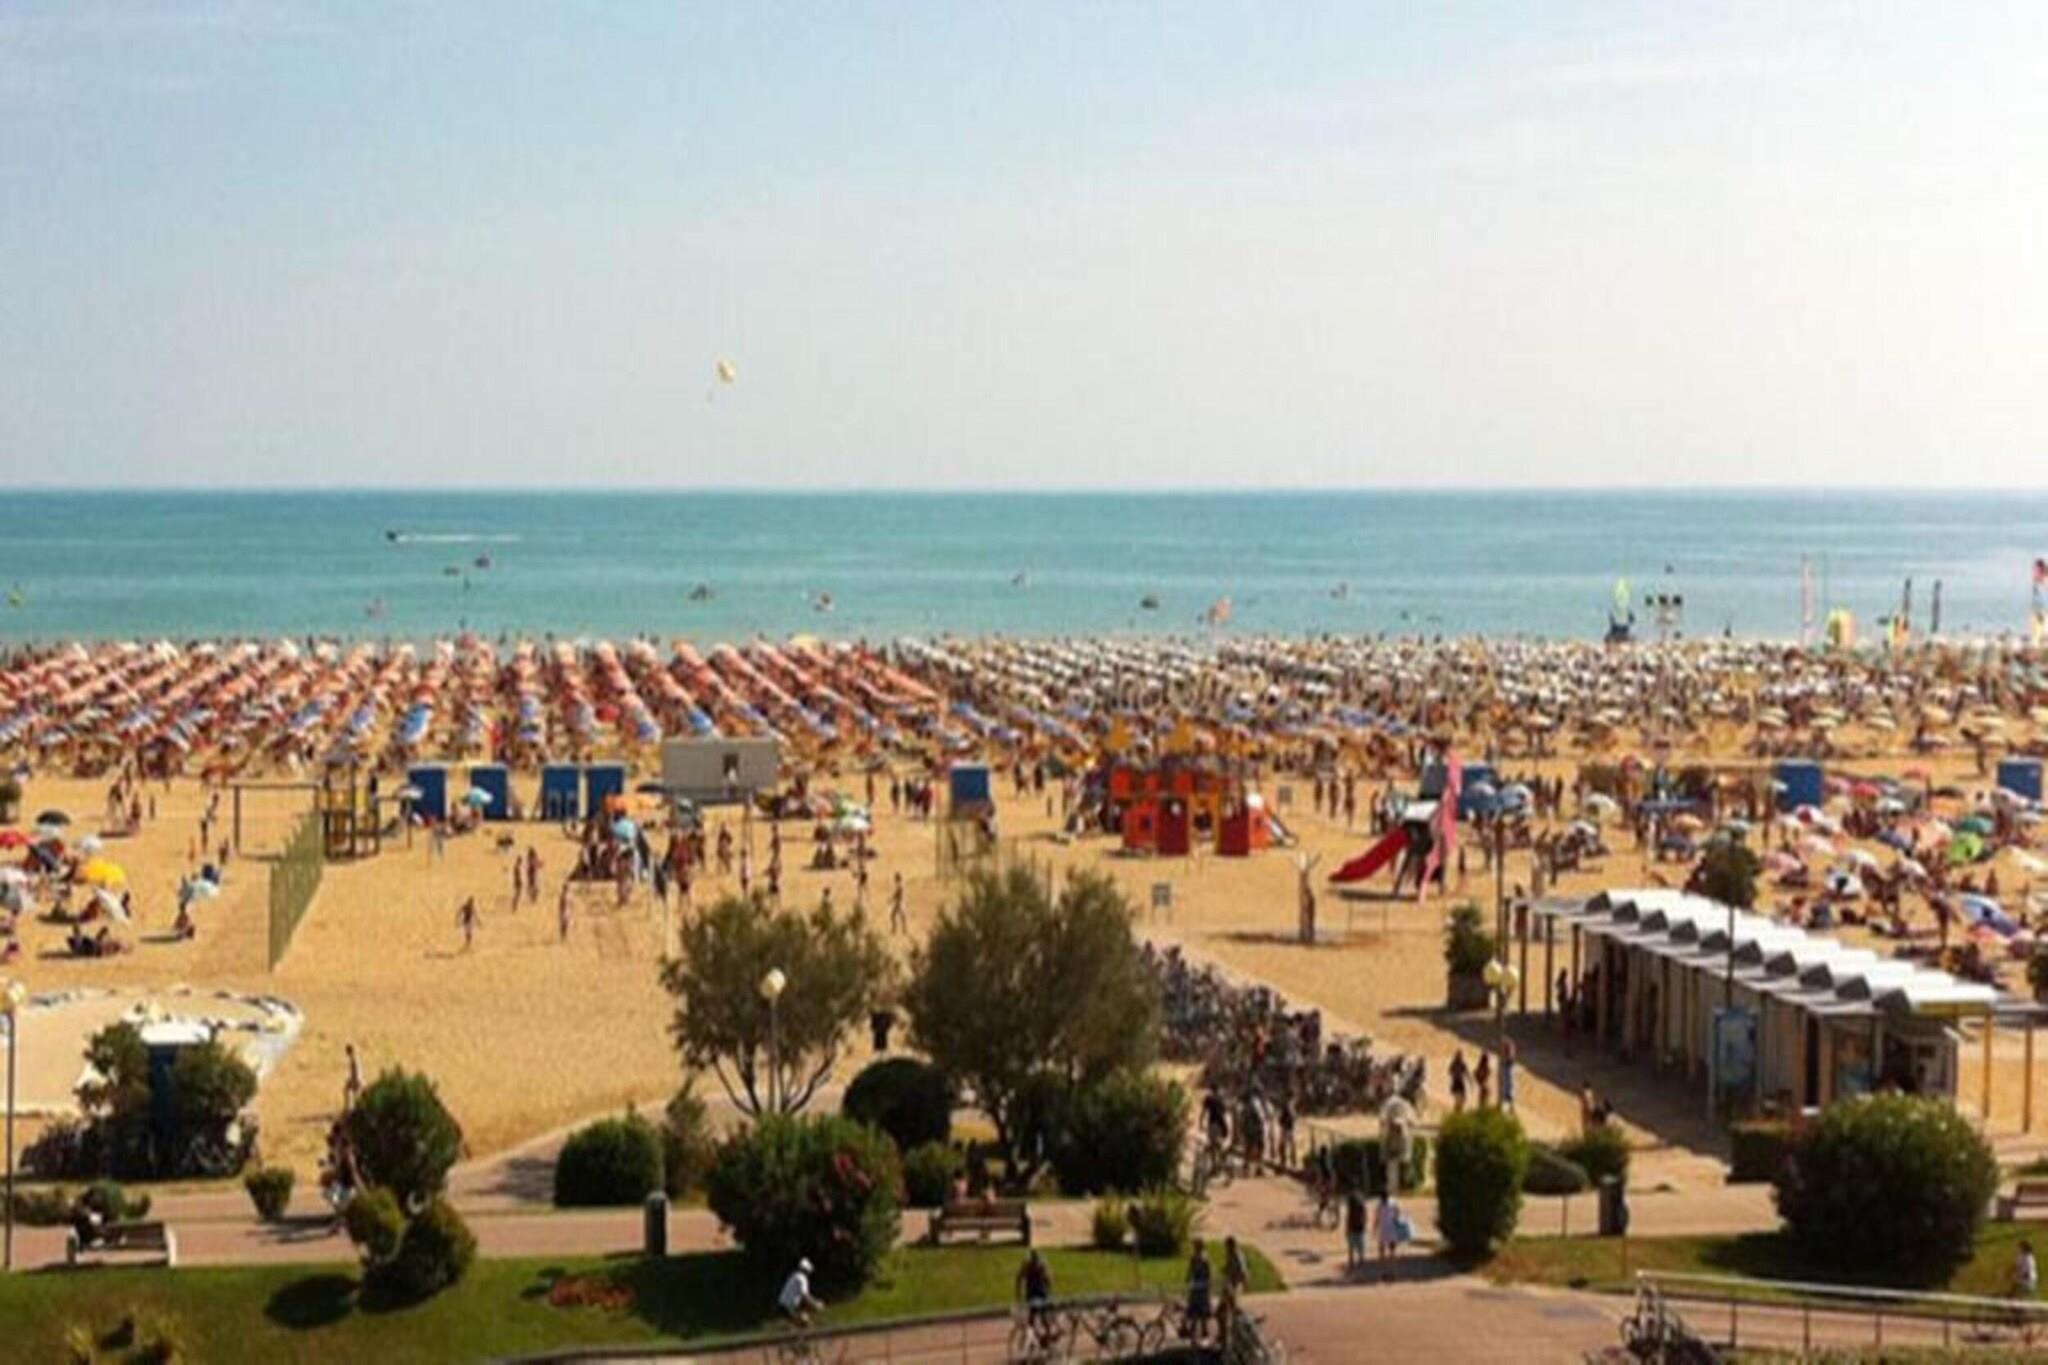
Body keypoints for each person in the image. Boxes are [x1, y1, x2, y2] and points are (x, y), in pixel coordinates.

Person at [1015, 1247, 1056, 1347]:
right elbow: (1019, 1278)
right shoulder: (1028, 1264)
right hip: (1033, 1293)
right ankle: (1034, 1339)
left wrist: (1050, 1293)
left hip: (1040, 1293)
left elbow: (1049, 1279)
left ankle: (1046, 1337)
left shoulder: (1041, 1264)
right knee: (1033, 1317)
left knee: (1042, 1317)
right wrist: (1018, 1294)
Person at [778, 1256, 823, 1329]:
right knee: (803, 1323)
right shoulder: (802, 1278)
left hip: (784, 1306)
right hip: (788, 1307)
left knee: (803, 1320)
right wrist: (815, 1304)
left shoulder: (794, 1276)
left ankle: (789, 1328)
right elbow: (805, 1296)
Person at [1184, 1239, 1214, 1344]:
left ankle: (1204, 1333)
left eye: (1196, 1246)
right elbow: (1190, 1270)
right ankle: (1192, 1333)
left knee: (1202, 1312)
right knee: (1193, 1310)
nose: (1194, 1248)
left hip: (1202, 1289)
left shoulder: (1205, 1259)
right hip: (1195, 1287)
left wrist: (1206, 1283)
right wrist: (1188, 1278)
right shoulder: (1194, 1258)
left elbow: (1209, 1275)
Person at [1221, 1235, 1250, 1339]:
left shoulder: (1237, 1255)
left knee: (1234, 1307)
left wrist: (1241, 1283)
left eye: (1227, 1246)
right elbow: (1230, 1267)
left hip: (1235, 1284)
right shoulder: (1230, 1254)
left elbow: (1243, 1272)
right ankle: (1224, 1334)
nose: (1226, 1248)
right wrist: (1225, 1269)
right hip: (1229, 1284)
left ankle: (1244, 1323)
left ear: (1231, 1245)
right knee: (1222, 1311)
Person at [1343, 1183, 1368, 1275]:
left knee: (1351, 1247)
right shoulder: (1361, 1197)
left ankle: (1351, 1264)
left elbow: (1349, 1213)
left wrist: (1346, 1227)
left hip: (1352, 1225)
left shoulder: (1350, 1198)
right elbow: (1365, 1212)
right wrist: (1365, 1222)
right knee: (1361, 1246)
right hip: (1360, 1225)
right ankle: (1361, 1263)